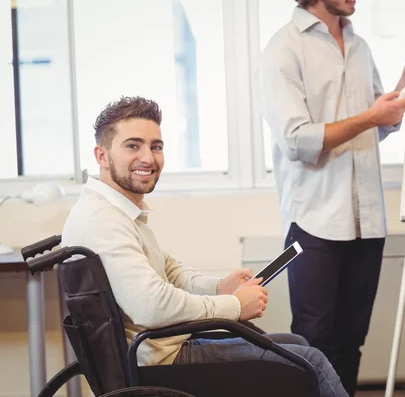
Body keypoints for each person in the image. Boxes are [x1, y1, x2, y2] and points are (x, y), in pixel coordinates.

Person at [61, 96, 349, 397]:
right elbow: (152, 306)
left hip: (164, 350)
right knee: (309, 363)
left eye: (155, 146)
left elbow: (168, 268)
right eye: (133, 145)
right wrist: (235, 307)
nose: (148, 157)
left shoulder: (116, 210)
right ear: (102, 155)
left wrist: (219, 287)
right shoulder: (103, 219)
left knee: (298, 345)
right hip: (158, 365)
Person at [258, 0, 405, 394]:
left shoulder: (359, 46)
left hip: (367, 221)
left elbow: (379, 123)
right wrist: (370, 117)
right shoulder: (284, 49)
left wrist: (404, 87)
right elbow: (297, 140)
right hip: (315, 222)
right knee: (313, 345)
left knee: (351, 342)